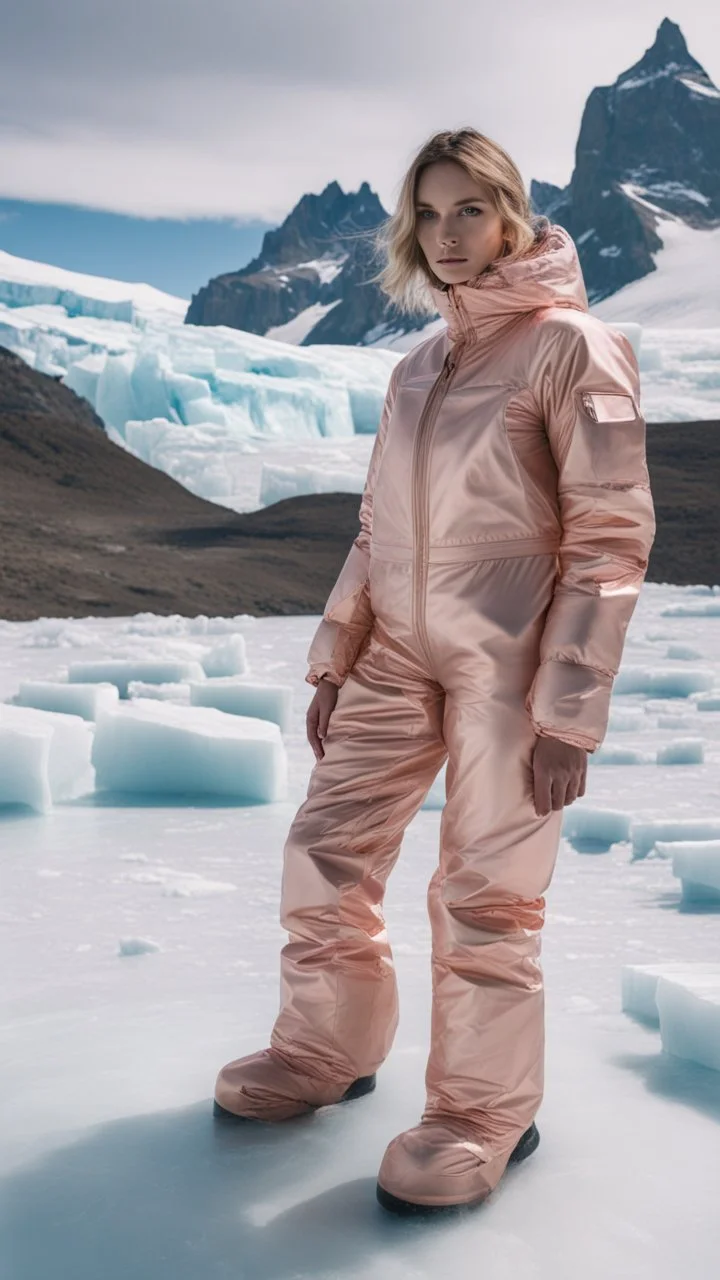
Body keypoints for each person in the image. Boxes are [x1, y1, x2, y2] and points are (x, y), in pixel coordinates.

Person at [213, 127, 656, 1215]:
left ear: (511, 212)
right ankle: (326, 1050)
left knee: (485, 896)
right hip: (399, 650)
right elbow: (377, 524)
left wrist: (569, 709)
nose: (447, 234)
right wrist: (336, 654)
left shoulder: (571, 346)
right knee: (323, 850)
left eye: (468, 209)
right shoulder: (417, 364)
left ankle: (483, 1110)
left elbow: (609, 538)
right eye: (427, 212)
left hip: (511, 656)